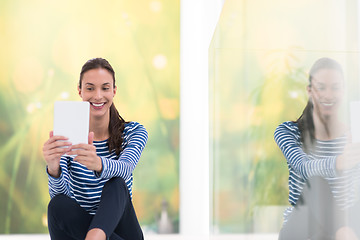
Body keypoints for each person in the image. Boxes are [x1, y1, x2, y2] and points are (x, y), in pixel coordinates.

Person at [43, 58, 148, 240]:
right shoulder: (68, 137)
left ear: (114, 91)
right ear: (80, 91)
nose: (98, 96)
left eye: (105, 88)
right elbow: (63, 200)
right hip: (80, 229)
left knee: (117, 183)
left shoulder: (133, 132)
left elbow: (126, 168)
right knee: (57, 205)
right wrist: (54, 169)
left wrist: (98, 164)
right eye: (90, 88)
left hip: (122, 230)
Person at [274, 57, 360, 240]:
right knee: (317, 182)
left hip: (341, 225)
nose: (329, 95)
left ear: (343, 91)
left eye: (335, 87)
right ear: (310, 91)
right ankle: (343, 232)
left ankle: (342, 231)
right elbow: (304, 167)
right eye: (321, 88)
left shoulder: (352, 137)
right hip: (303, 228)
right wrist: (339, 162)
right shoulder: (288, 132)